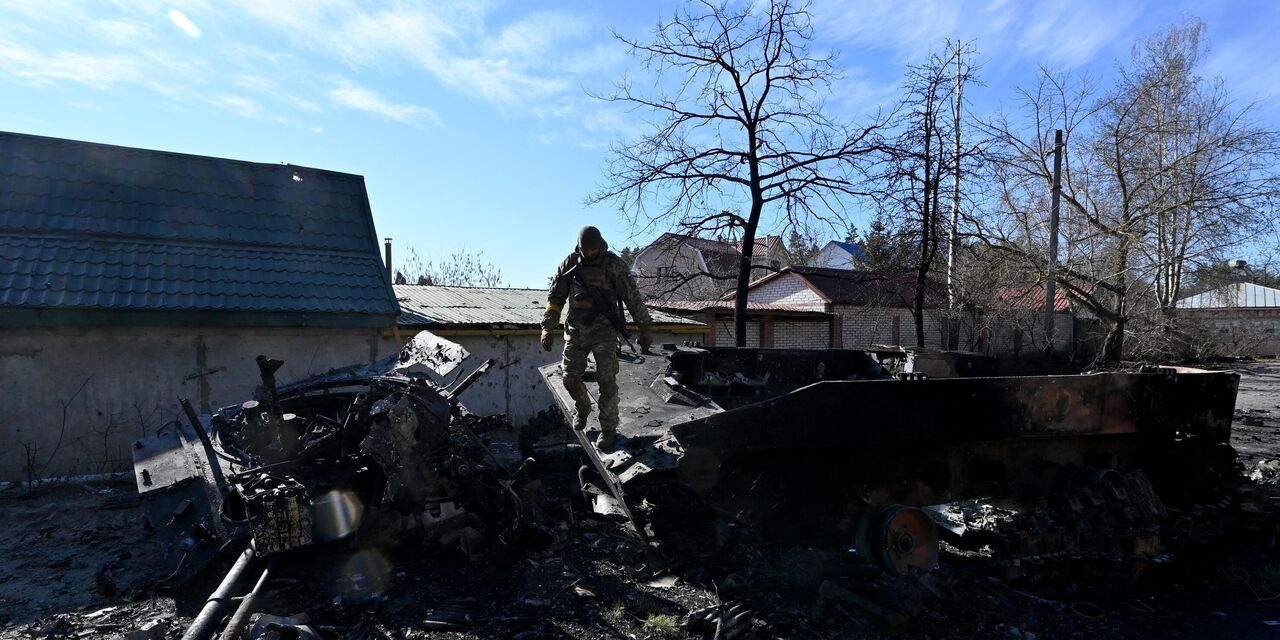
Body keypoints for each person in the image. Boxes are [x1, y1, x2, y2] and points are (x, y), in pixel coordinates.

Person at [541, 226, 652, 449]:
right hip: (576, 331)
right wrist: (547, 327)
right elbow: (555, 298)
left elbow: (633, 298)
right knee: (569, 378)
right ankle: (583, 408)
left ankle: (608, 429)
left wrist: (645, 328)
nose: (589, 253)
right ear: (580, 247)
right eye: (586, 249)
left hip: (604, 333)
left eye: (593, 249)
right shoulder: (570, 263)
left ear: (599, 245)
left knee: (607, 382)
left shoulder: (613, 264)